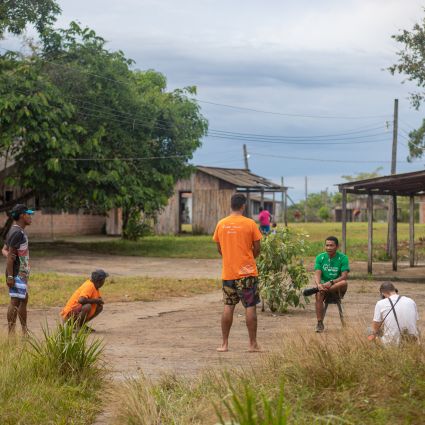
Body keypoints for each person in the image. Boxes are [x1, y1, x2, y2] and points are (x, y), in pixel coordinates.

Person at [213, 193, 263, 352]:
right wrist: (247, 258)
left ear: (231, 205)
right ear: (243, 206)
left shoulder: (221, 224)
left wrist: (230, 258)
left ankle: (224, 344)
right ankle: (252, 344)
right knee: (250, 306)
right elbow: (257, 248)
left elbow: (219, 248)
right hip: (247, 273)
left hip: (228, 273)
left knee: (228, 306)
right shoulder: (250, 224)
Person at [4, 204, 34, 335]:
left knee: (23, 299)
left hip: (20, 273)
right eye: (28, 213)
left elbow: (5, 250)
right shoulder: (16, 232)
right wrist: (10, 276)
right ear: (22, 215)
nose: (30, 216)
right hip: (16, 273)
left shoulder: (16, 230)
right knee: (15, 301)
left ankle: (24, 331)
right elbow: (10, 257)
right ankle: (12, 333)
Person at [313, 236, 349, 333]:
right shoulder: (320, 257)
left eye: (331, 245)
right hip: (323, 287)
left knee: (344, 283)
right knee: (318, 293)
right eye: (327, 245)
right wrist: (319, 284)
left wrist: (332, 282)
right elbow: (317, 273)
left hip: (337, 288)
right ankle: (320, 323)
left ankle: (322, 289)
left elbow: (344, 276)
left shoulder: (343, 258)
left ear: (337, 247)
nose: (329, 247)